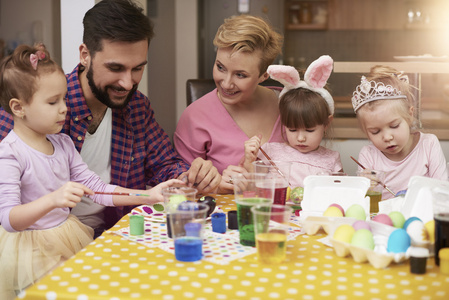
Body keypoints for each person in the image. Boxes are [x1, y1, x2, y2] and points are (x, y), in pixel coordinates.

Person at [0, 0, 221, 236]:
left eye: (137, 68)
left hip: (113, 236)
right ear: (85, 55)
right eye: (116, 68)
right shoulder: (28, 112)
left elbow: (165, 165)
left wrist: (192, 176)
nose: (128, 83)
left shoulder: (137, 107)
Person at [0, 44, 184, 299]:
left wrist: (148, 196)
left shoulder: (62, 144)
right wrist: (53, 200)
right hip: (29, 250)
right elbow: (9, 219)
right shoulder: (9, 153)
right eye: (53, 102)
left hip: (66, 237)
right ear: (18, 108)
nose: (64, 108)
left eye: (64, 98)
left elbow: (99, 190)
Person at [174, 14, 284, 193]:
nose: (226, 83)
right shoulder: (194, 116)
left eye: (240, 75)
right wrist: (213, 186)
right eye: (220, 67)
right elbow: (179, 186)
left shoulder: (288, 107)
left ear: (264, 76)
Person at [242, 55, 343, 188]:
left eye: (309, 130)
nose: (300, 138)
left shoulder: (331, 159)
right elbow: (251, 186)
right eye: (292, 130)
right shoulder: (271, 152)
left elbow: (341, 191)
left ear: (326, 123)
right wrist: (249, 161)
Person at [352, 65, 448, 199]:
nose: (387, 137)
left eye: (394, 125)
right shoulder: (369, 155)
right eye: (375, 132)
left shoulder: (429, 145)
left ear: (409, 116)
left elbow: (442, 192)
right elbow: (363, 203)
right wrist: (364, 186)